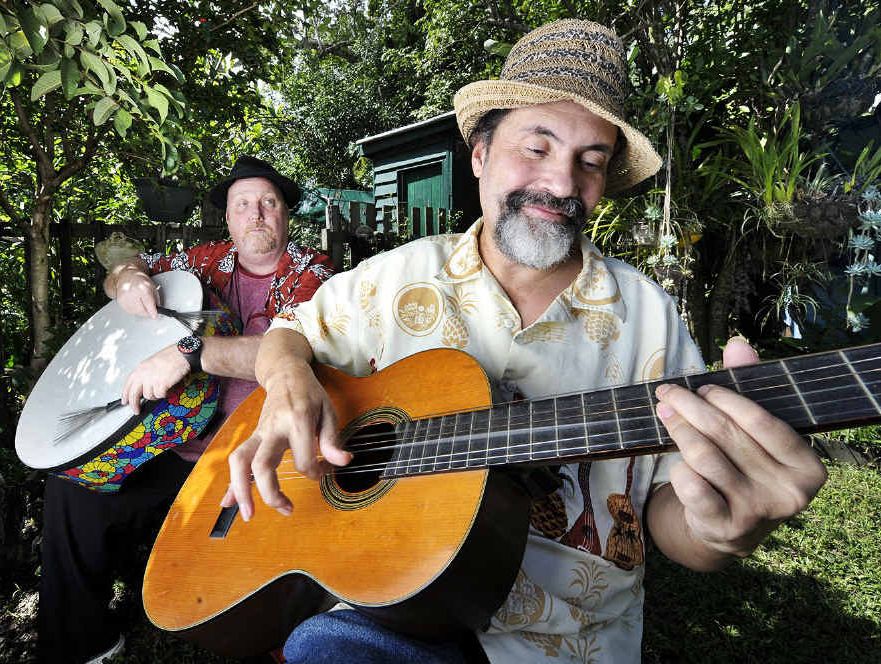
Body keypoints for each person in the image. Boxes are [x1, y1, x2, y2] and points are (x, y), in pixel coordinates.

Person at [223, 20, 828, 664]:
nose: (564, 184)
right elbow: (287, 336)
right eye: (536, 147)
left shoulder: (649, 315)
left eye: (589, 162)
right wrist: (289, 379)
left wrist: (720, 532)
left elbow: (668, 509)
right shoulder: (394, 277)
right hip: (387, 616)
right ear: (480, 154)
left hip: (570, 645)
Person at [37, 156, 334, 664]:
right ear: (229, 218)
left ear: (286, 213)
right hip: (179, 446)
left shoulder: (317, 276)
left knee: (261, 595)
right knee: (71, 492)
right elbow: (126, 262)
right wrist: (128, 279)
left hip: (260, 456)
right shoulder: (207, 260)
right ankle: (82, 643)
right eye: (243, 205)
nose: (256, 214)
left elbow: (289, 350)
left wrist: (185, 352)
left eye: (268, 202)